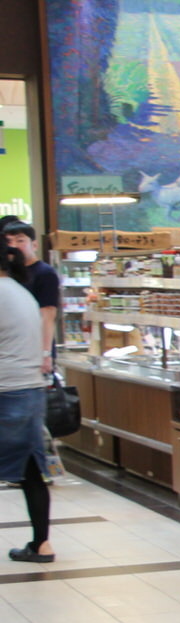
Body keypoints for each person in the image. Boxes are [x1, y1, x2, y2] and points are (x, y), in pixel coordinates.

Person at [0, 241, 53, 563]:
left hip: (7, 391)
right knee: (30, 469)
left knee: (25, 468)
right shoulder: (19, 291)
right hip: (30, 390)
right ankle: (42, 544)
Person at [3, 222, 58, 376]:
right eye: (9, 242)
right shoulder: (8, 274)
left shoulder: (45, 273)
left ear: (34, 245)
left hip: (35, 353)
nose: (13, 246)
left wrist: (46, 354)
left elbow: (47, 315)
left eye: (20, 241)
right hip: (13, 352)